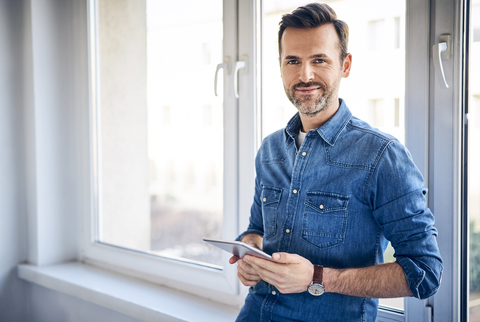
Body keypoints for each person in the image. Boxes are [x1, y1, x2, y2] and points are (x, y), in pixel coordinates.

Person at [229, 3, 443, 321]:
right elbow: (256, 229)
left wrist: (318, 277)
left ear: (345, 65)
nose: (305, 75)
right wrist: (248, 250)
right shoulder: (270, 149)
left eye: (319, 60)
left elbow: (424, 272)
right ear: (280, 65)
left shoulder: (382, 156)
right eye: (293, 61)